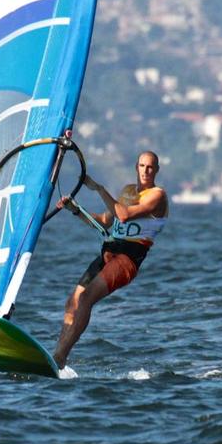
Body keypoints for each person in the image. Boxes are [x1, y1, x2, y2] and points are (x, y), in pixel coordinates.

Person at [53, 151, 169, 369]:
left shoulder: (158, 195)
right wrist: (76, 210)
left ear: (157, 170)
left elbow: (123, 215)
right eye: (142, 166)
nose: (146, 171)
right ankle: (57, 356)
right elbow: (106, 220)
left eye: (150, 167)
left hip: (127, 259)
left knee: (86, 298)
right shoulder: (127, 191)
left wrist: (98, 188)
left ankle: (60, 357)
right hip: (107, 254)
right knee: (72, 302)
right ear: (136, 167)